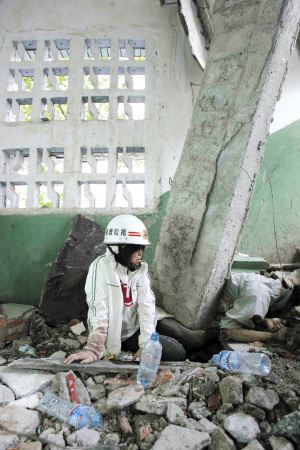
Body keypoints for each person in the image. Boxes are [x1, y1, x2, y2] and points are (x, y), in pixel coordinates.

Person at [65, 214, 203, 365]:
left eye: (141, 248)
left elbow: (147, 305)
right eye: (135, 248)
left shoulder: (140, 269)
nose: (140, 253)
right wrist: (93, 349)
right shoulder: (101, 268)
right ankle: (195, 357)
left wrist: (146, 344)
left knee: (192, 339)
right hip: (124, 336)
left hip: (140, 323)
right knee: (178, 352)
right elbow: (99, 311)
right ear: (118, 248)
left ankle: (210, 347)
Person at [219, 272, 292, 343]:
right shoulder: (261, 293)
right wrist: (274, 336)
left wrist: (266, 321)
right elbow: (228, 330)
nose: (284, 321)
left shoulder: (275, 289)